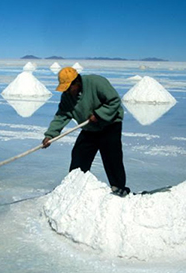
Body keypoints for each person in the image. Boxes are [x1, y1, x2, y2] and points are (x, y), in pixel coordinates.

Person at [42, 67, 130, 197]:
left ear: (76, 82)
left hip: (110, 125)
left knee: (112, 158)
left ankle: (119, 188)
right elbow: (62, 115)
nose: (66, 90)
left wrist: (99, 114)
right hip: (90, 128)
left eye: (68, 87)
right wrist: (50, 135)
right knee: (79, 155)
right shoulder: (67, 96)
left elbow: (114, 101)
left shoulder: (96, 82)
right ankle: (74, 186)